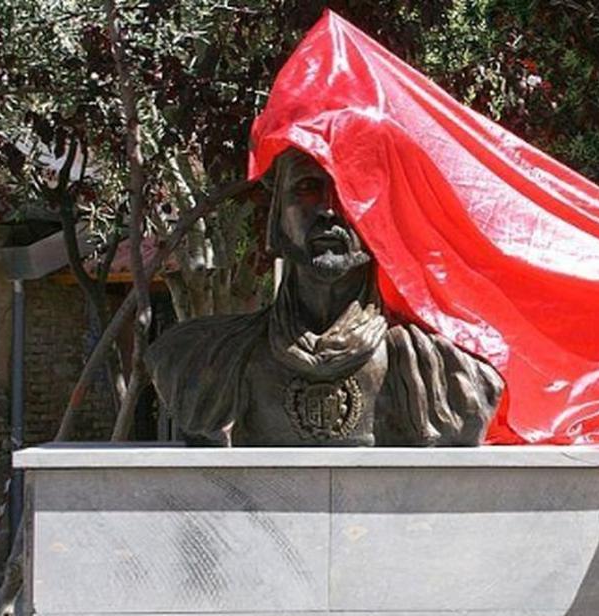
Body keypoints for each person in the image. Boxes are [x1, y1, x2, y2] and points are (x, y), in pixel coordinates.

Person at [147, 149, 503, 446]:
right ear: (277, 216)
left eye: (352, 187)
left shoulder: (445, 374)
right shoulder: (200, 358)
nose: (329, 209)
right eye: (307, 187)